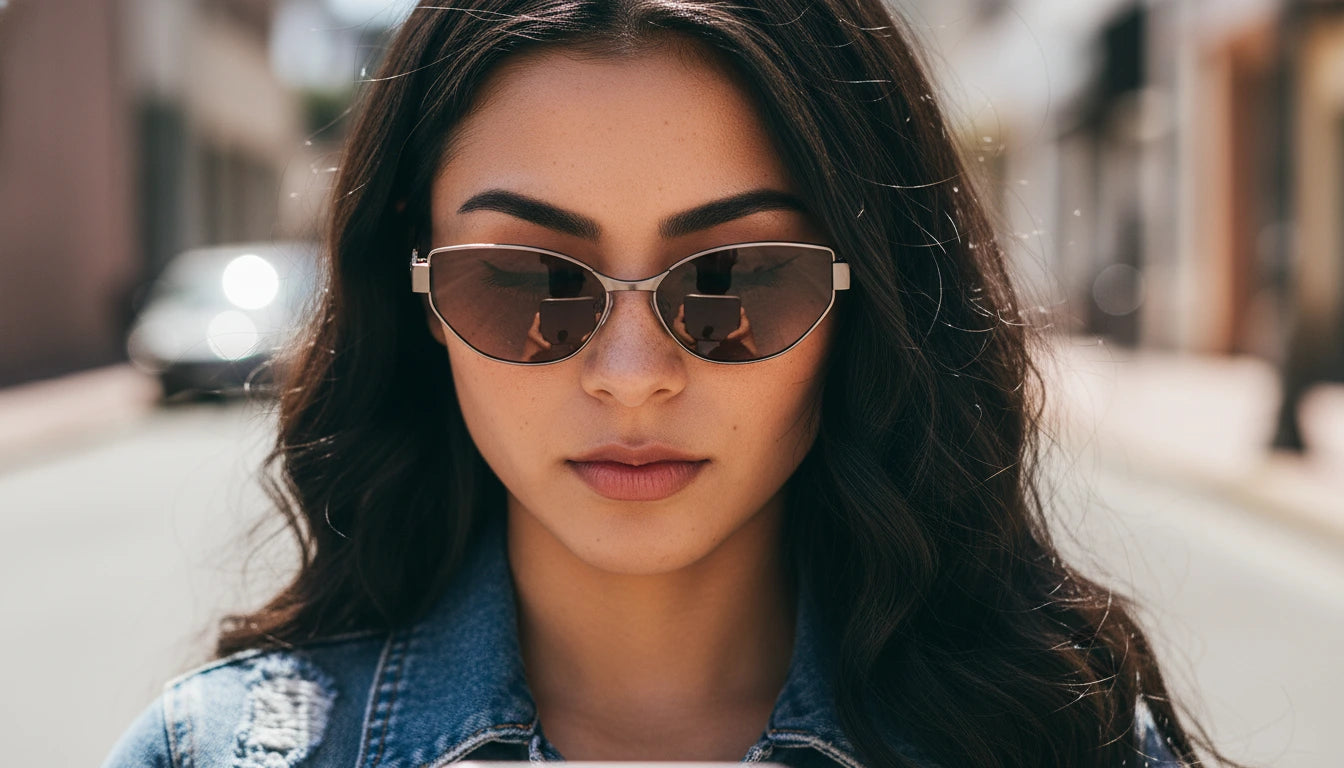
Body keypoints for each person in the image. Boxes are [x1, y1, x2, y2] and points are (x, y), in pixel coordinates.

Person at [102, 1, 1240, 766]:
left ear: (867, 295)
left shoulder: (1064, 743)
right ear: (417, 292)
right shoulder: (220, 752)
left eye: (735, 280)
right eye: (532, 283)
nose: (633, 377)